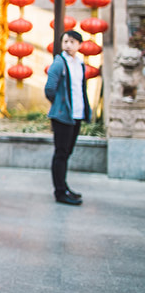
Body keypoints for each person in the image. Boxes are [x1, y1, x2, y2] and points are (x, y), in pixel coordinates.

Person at [44, 30, 90, 206]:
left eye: (72, 42)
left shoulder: (80, 64)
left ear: (79, 45)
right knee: (61, 153)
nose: (68, 45)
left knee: (67, 152)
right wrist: (59, 106)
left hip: (76, 115)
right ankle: (60, 192)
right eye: (66, 41)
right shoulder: (59, 63)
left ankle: (64, 187)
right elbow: (50, 88)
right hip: (63, 116)